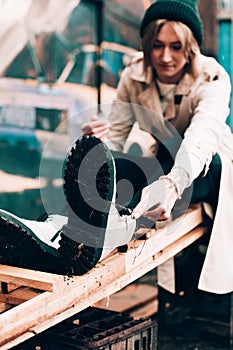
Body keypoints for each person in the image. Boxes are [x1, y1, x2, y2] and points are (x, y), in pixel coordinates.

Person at [0, 0, 232, 295]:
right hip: (161, 159)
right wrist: (98, 143)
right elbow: (117, 143)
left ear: (190, 47)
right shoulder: (134, 73)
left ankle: (97, 239)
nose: (165, 56)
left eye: (175, 46)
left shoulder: (212, 77)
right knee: (114, 166)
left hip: (207, 167)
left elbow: (200, 139)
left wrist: (173, 185)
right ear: (147, 44)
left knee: (159, 177)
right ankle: (55, 230)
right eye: (157, 45)